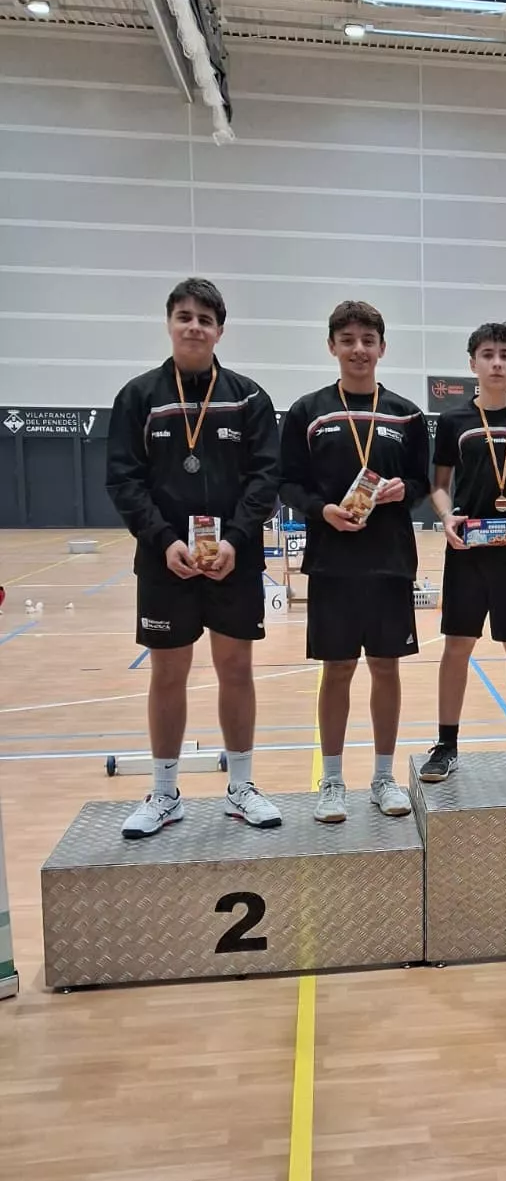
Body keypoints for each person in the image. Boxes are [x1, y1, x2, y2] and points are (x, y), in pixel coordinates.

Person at [106, 278, 282, 838]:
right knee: (167, 674)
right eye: (184, 317)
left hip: (234, 559)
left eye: (205, 319)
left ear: (220, 330)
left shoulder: (249, 399)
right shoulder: (139, 397)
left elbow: (265, 478)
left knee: (236, 669)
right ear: (169, 323)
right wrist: (163, 540)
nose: (194, 327)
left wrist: (235, 540)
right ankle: (164, 794)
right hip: (166, 561)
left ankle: (242, 787)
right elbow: (124, 480)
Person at [279, 300, 430, 823]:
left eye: (368, 340)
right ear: (332, 346)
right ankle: (333, 780)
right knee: (337, 669)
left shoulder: (407, 414)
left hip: (390, 562)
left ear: (382, 347)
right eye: (348, 340)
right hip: (332, 563)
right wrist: (321, 510)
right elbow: (287, 483)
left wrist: (402, 491)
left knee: (386, 668)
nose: (358, 349)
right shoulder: (308, 412)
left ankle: (384, 777)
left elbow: (422, 483)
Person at [420, 323, 506, 782]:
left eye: (504, 355)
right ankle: (446, 745)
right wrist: (446, 517)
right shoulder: (454, 422)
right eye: (487, 354)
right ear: (472, 363)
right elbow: (440, 486)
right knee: (457, 646)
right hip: (468, 550)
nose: (496, 362)